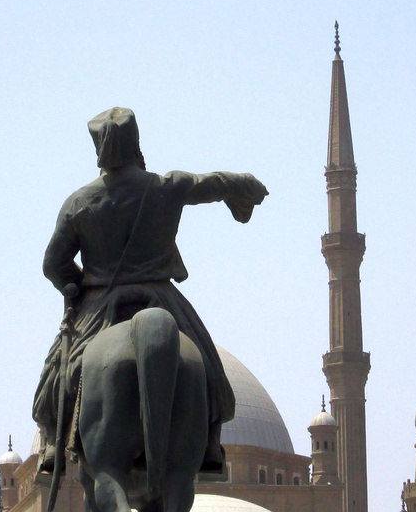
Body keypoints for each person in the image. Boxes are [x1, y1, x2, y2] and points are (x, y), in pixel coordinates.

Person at [33, 107, 267, 478]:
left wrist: (74, 285)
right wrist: (245, 186)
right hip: (162, 296)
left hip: (99, 302)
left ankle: (51, 445)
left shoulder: (79, 202)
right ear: (136, 145)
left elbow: (52, 264)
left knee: (59, 372)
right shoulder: (165, 186)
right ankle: (208, 444)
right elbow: (213, 183)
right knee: (207, 365)